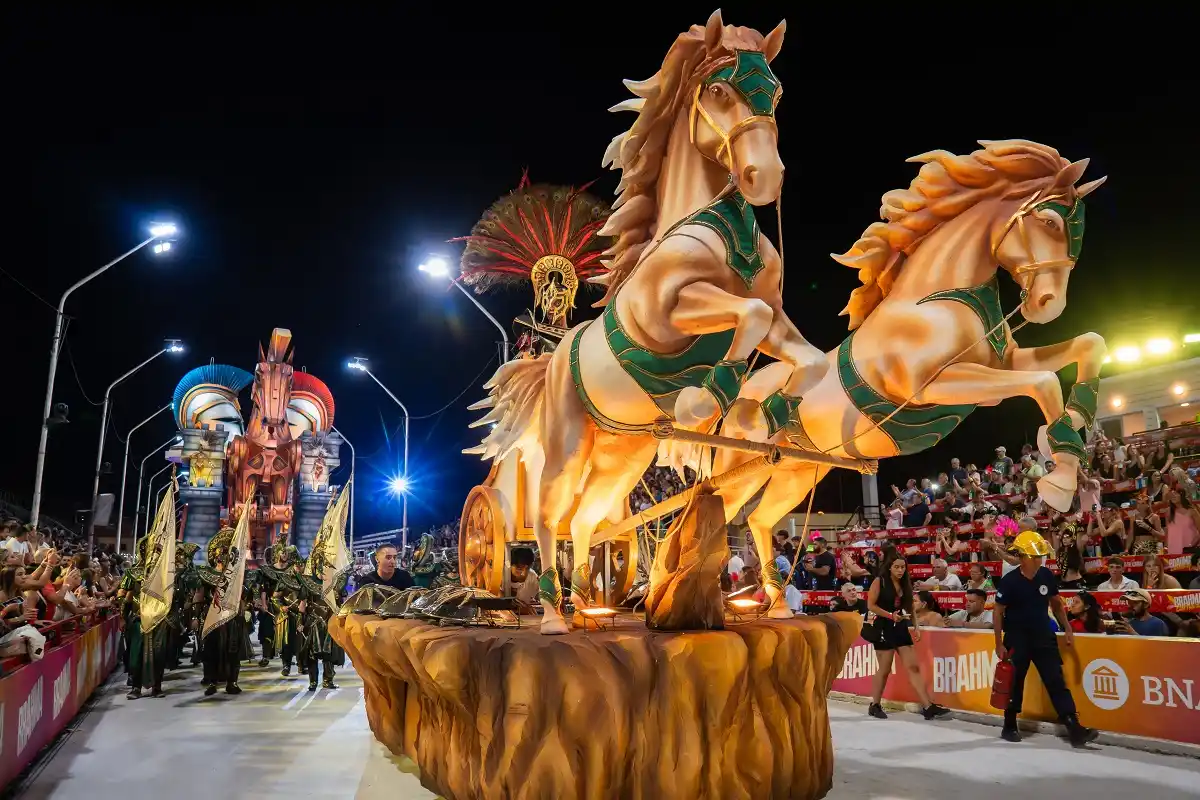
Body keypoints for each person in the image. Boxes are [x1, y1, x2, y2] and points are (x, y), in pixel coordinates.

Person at [993, 530, 1097, 746]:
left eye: (1040, 556)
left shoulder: (1046, 575)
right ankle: (1009, 725)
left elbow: (1056, 603)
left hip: (1043, 636)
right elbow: (998, 611)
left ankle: (1073, 727)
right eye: (1035, 556)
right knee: (1015, 682)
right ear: (1023, 557)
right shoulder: (1009, 581)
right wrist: (999, 642)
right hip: (1017, 638)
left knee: (1056, 680)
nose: (1039, 560)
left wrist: (1066, 626)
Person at [864, 548, 951, 721]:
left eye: (902, 567)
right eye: (896, 567)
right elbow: (871, 606)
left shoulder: (905, 583)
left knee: (913, 666)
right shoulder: (879, 581)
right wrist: (890, 615)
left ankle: (928, 706)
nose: (900, 570)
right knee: (885, 669)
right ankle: (875, 704)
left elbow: (910, 605)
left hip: (900, 625)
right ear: (890, 567)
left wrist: (916, 625)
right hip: (882, 625)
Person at [508, 547, 539, 612]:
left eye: (527, 569)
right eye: (519, 569)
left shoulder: (532, 576)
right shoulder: (500, 577)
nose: (523, 574)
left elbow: (542, 594)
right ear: (509, 565)